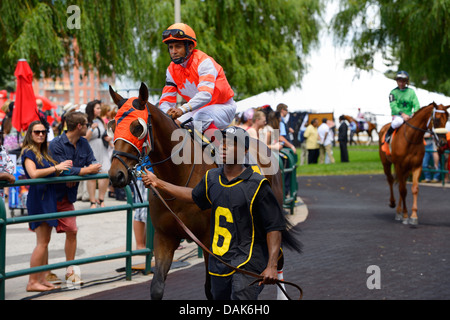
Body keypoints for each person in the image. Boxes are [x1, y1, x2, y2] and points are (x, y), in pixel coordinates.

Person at [142, 126, 287, 300]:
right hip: (219, 264)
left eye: (231, 144)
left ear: (245, 151)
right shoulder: (212, 178)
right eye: (222, 143)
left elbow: (274, 227)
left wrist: (271, 265)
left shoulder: (258, 185)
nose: (223, 147)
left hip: (247, 264)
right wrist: (159, 183)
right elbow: (191, 195)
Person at [158, 23, 236, 141]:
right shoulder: (171, 70)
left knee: (200, 117)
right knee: (173, 126)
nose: (173, 51)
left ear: (189, 47)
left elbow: (205, 95)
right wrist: (167, 114)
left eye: (178, 46)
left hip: (223, 107)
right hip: (197, 109)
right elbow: (166, 101)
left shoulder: (204, 62)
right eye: (171, 47)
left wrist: (181, 110)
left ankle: (221, 148)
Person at [49, 111, 102, 283]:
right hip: (49, 195)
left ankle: (70, 270)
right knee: (44, 238)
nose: (88, 127)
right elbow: (62, 169)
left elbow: (94, 163)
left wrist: (75, 174)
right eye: (86, 124)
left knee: (72, 231)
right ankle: (44, 273)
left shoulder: (84, 143)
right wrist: (82, 172)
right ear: (80, 126)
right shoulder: (56, 144)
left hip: (67, 196)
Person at [21, 120, 72, 292]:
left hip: (47, 198)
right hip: (39, 199)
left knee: (44, 242)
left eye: (43, 131)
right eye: (37, 132)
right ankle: (32, 281)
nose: (41, 134)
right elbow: (33, 174)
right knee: (42, 243)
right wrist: (56, 167)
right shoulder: (28, 152)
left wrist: (60, 169)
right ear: (30, 134)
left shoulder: (43, 152)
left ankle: (41, 279)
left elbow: (46, 171)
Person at [85, 100, 112, 208]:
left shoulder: (101, 120)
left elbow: (104, 133)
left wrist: (108, 139)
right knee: (92, 176)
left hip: (103, 148)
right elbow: (85, 138)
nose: (100, 110)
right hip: (91, 149)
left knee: (106, 173)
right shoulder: (87, 121)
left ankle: (101, 199)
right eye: (97, 108)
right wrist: (92, 128)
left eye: (100, 108)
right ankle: (92, 201)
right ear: (92, 109)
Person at [384, 71, 420, 144]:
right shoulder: (393, 92)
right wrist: (403, 115)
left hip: (410, 116)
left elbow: (417, 105)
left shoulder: (411, 92)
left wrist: (413, 114)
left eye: (403, 81)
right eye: (399, 81)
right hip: (398, 116)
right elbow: (393, 106)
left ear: (406, 82)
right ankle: (388, 134)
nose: (401, 83)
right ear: (397, 81)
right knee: (398, 122)